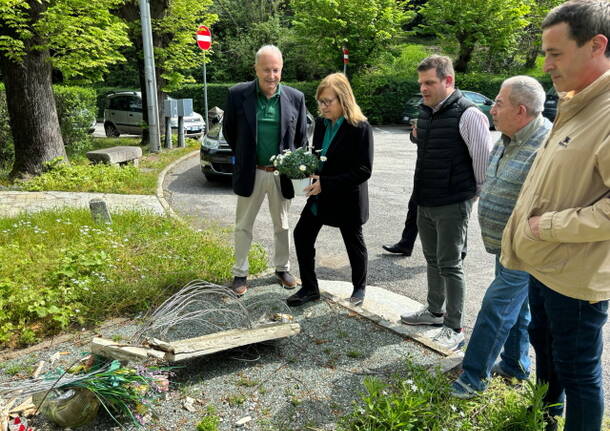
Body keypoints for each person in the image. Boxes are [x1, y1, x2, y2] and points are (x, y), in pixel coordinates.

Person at [501, 2, 610, 430]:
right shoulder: (576, 105)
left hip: (577, 277)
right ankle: (545, 418)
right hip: (546, 265)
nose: (545, 64)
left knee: (579, 370)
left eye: (555, 53)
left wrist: (545, 226)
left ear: (597, 46)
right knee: (543, 345)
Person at [450, 76, 552, 399]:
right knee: (517, 309)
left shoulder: (545, 145)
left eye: (498, 103)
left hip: (526, 247)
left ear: (521, 110)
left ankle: (473, 376)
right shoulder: (509, 137)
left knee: (497, 306)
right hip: (504, 244)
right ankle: (515, 365)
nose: (492, 109)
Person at [400, 55, 492, 351]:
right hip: (425, 199)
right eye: (421, 83)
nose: (423, 89)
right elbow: (429, 147)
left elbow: (483, 167)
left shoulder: (469, 114)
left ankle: (455, 326)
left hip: (453, 202)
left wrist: (468, 197)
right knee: (431, 259)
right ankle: (433, 311)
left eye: (429, 82)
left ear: (448, 80)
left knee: (451, 264)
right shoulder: (426, 111)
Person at [223, 45, 309, 296]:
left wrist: (294, 167)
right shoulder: (238, 95)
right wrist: (247, 156)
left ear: (281, 69)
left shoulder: (295, 97)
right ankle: (240, 273)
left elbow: (301, 138)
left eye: (276, 70)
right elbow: (230, 132)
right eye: (266, 70)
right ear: (256, 69)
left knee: (282, 225)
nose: (271, 75)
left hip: (280, 174)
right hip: (252, 172)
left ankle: (282, 268)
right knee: (243, 226)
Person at [286, 73, 373, 307]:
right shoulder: (323, 124)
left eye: (328, 101)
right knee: (301, 234)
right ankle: (310, 288)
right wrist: (306, 170)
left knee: (353, 243)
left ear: (343, 99)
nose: (323, 107)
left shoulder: (360, 127)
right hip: (320, 195)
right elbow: (319, 156)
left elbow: (364, 170)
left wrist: (327, 182)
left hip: (347, 197)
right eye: (320, 101)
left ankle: (359, 289)